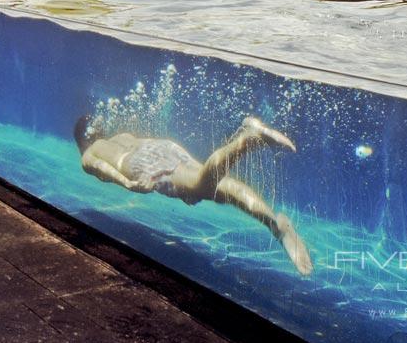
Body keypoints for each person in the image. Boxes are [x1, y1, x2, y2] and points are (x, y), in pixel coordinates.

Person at [74, 114, 314, 276]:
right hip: (162, 147)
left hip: (142, 165)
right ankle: (276, 225)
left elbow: (105, 169)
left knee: (201, 186)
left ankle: (247, 139)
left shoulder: (87, 155)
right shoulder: (120, 137)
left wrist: (129, 184)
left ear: (81, 141)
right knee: (217, 188)